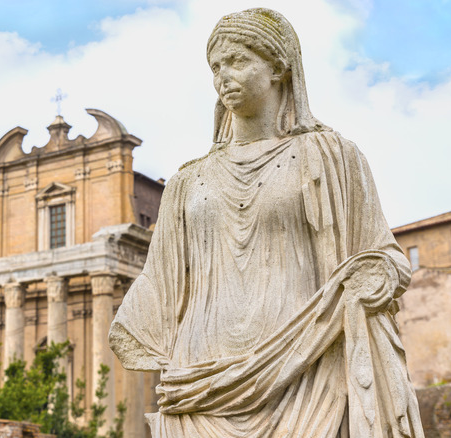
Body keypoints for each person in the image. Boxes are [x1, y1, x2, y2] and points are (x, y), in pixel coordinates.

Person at [109, 8, 424, 438]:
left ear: (278, 66)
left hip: (307, 366)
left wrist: (380, 272)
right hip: (198, 377)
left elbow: (384, 254)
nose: (223, 76)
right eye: (215, 67)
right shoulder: (186, 182)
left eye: (237, 61)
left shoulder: (331, 157)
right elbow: (158, 282)